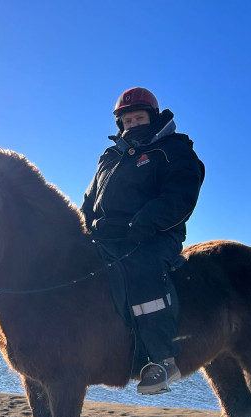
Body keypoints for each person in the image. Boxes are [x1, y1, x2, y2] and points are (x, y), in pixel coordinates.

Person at [81, 87, 204, 394]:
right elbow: (88, 200)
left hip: (154, 235)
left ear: (152, 116)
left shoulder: (173, 149)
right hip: (108, 236)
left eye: (139, 118)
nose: (133, 124)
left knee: (141, 270)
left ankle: (163, 361)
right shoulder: (110, 156)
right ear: (120, 124)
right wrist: (84, 227)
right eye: (127, 120)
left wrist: (143, 223)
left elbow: (181, 195)